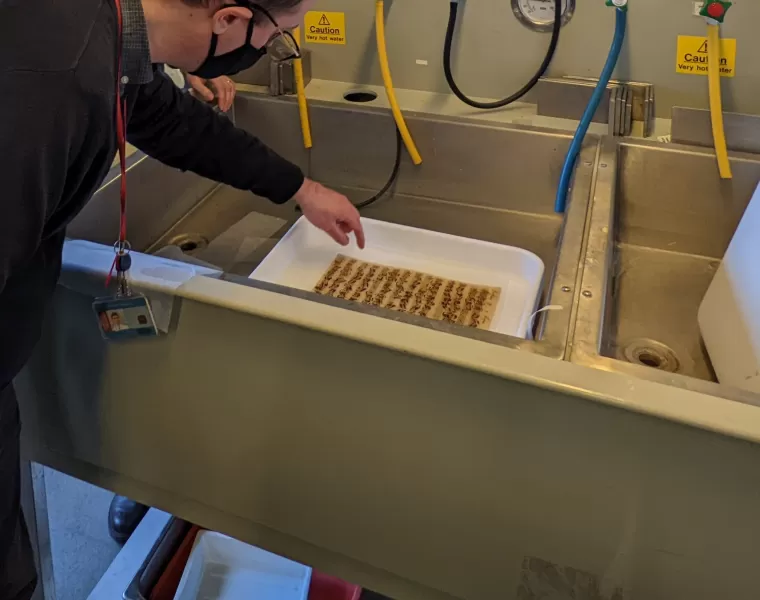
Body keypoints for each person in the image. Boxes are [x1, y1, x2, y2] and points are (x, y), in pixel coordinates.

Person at [0, 0, 366, 597]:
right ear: (227, 20)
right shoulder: (54, 81)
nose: (269, 52)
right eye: (276, 37)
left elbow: (168, 120)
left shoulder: (106, 34)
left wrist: (300, 188)